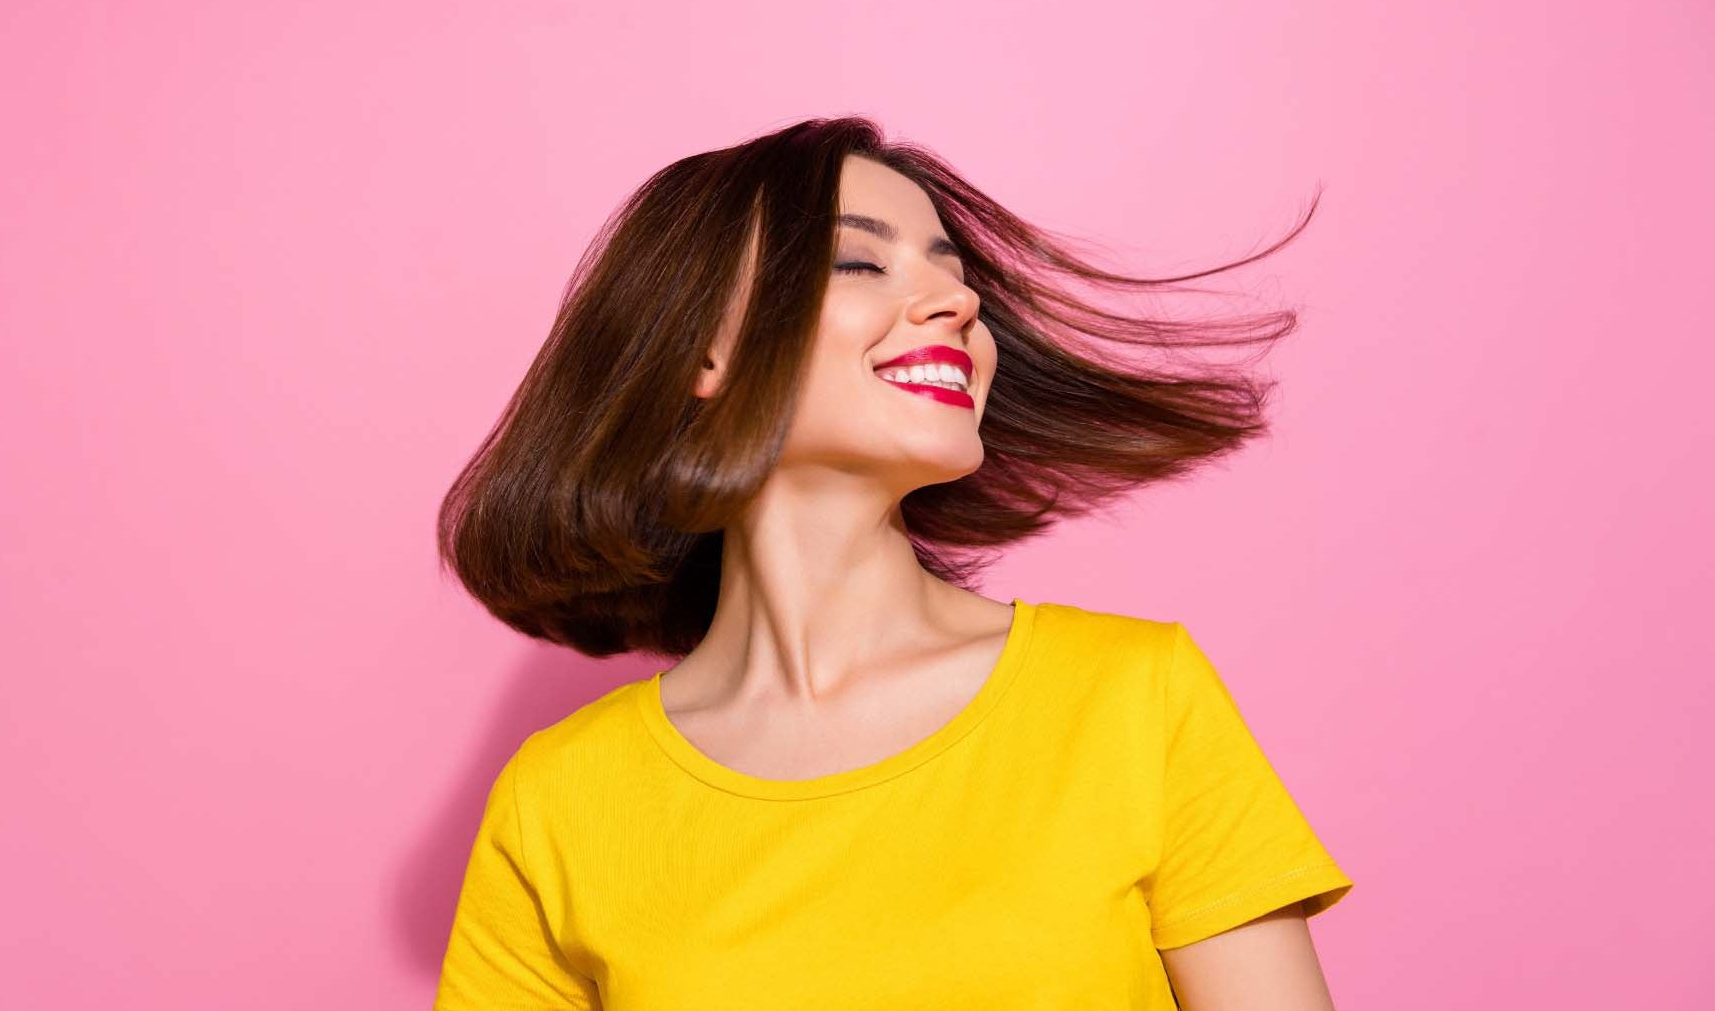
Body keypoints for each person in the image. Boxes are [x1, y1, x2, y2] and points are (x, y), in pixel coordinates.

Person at [431, 116, 1353, 1010]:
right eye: (859, 261)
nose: (960, 302)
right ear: (703, 351)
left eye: (952, 274)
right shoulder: (562, 800)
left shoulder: (1132, 699)